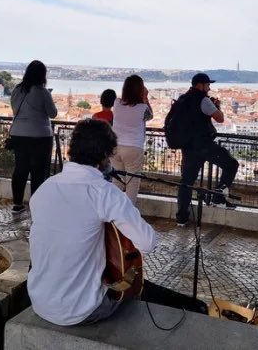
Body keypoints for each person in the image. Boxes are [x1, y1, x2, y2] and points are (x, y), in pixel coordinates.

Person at [28, 119, 207, 326]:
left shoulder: (44, 189)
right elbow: (148, 243)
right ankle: (196, 311)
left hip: (39, 300)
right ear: (105, 156)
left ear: (72, 150)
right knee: (133, 287)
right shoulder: (103, 193)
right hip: (80, 310)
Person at [175, 73, 239, 227]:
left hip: (188, 147)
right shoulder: (203, 100)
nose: (209, 88)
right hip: (204, 145)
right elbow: (220, 118)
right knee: (231, 164)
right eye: (207, 85)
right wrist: (216, 106)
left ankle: (182, 217)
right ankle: (218, 197)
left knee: (187, 182)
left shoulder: (182, 99)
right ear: (200, 85)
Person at [9, 60, 58, 216]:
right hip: (40, 135)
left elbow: (15, 109)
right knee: (39, 171)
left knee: (20, 169)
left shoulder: (17, 90)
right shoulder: (43, 92)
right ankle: (36, 205)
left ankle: (17, 204)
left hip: (18, 133)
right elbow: (53, 113)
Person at [111, 76, 153, 204]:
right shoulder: (142, 108)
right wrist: (145, 98)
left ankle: (114, 210)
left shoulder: (117, 103)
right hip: (133, 147)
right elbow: (150, 116)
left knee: (117, 180)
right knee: (132, 182)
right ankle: (129, 214)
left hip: (115, 146)